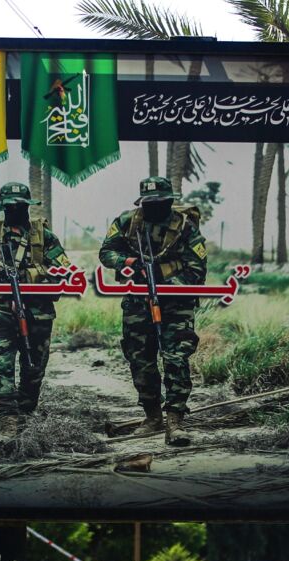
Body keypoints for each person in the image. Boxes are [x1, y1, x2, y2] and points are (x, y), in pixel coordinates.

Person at [99, 176, 208, 446]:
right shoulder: (128, 222)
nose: (154, 207)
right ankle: (152, 417)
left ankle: (175, 421)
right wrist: (130, 261)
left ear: (170, 202)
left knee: (176, 360)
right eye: (150, 203)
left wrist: (164, 281)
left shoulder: (185, 227)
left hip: (176, 305)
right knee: (141, 360)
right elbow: (106, 252)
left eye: (160, 202)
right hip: (138, 303)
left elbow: (197, 269)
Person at [0, 182, 71, 437]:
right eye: (10, 207)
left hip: (39, 311)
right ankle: (8, 418)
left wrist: (35, 276)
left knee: (34, 366)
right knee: (1, 364)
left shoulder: (45, 236)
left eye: (20, 207)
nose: (15, 211)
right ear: (3, 208)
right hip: (0, 312)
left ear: (27, 207)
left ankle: (26, 414)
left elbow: (64, 270)